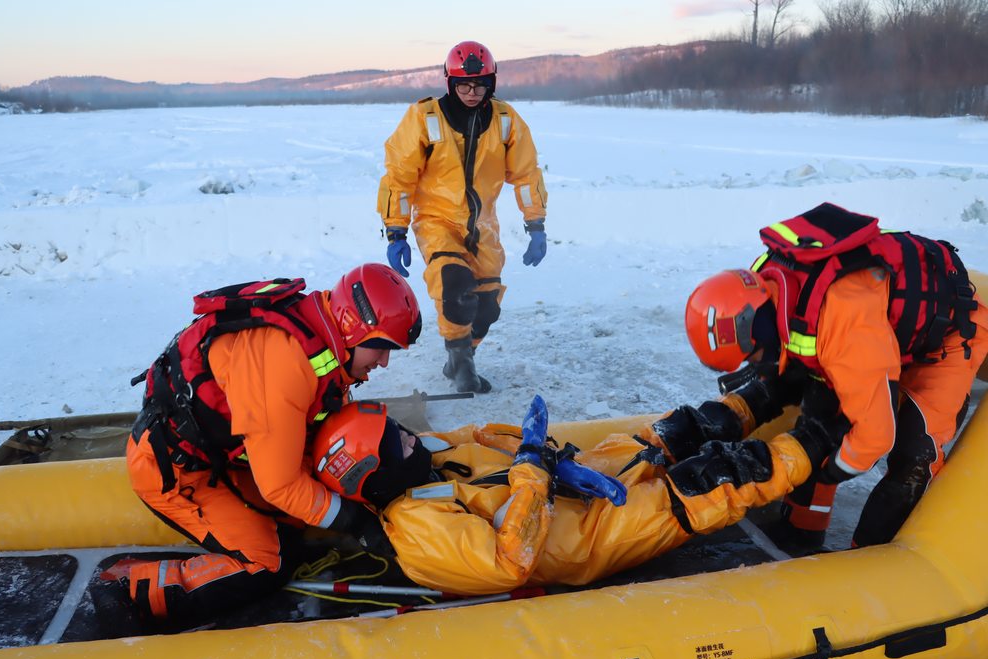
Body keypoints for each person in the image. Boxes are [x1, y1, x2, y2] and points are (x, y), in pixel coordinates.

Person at [103, 264, 422, 626]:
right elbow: (281, 486)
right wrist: (357, 521)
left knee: (297, 523)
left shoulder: (322, 340)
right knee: (267, 562)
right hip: (178, 473)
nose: (384, 361)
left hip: (230, 459)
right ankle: (130, 589)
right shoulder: (284, 364)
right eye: (380, 347)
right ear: (350, 325)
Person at [680, 202, 988, 551]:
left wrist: (831, 469)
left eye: (752, 354)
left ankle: (872, 559)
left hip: (946, 339)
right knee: (820, 421)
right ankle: (801, 532)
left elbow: (875, 437)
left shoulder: (842, 328)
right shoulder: (764, 279)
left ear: (754, 327)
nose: (756, 362)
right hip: (880, 330)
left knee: (913, 457)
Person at [308, 395, 836, 595]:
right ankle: (824, 436)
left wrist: (542, 456)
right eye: (395, 440)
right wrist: (533, 472)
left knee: (681, 430)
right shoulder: (419, 535)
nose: (409, 435)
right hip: (585, 538)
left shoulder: (426, 456)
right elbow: (510, 560)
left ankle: (769, 390)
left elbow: (482, 438)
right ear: (376, 475)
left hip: (572, 483)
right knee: (715, 478)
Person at [377, 40, 548, 394]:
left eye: (480, 85)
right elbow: (399, 177)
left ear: (492, 83)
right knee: (453, 285)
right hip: (437, 222)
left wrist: (536, 225)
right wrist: (397, 231)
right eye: (464, 86)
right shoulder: (424, 118)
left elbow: (527, 174)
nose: (472, 93)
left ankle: (460, 357)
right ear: (450, 83)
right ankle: (463, 366)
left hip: (483, 227)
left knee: (486, 308)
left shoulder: (506, 120)